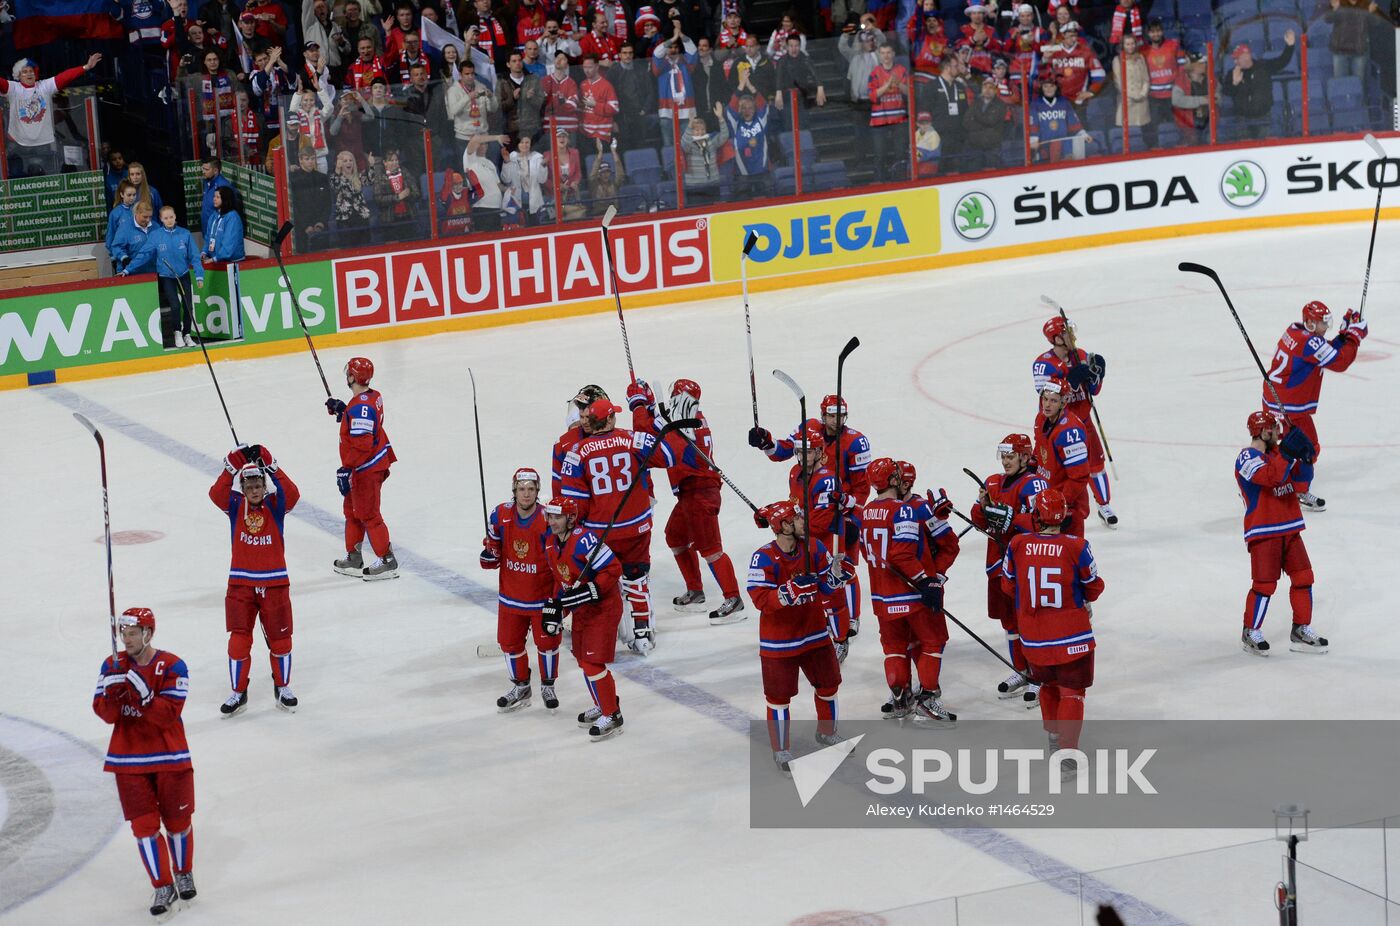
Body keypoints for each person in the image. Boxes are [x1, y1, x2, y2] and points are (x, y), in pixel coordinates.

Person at [93, 607, 197, 918]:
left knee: (178, 822)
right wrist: (112, 696)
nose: (126, 640)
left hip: (170, 756)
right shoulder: (112, 665)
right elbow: (105, 714)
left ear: (148, 634)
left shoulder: (174, 665)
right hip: (128, 760)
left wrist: (146, 697)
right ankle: (163, 885)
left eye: (133, 633)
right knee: (143, 827)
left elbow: (168, 716)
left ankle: (183, 872)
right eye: (123, 634)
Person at [559, 397, 678, 653]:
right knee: (637, 578)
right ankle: (642, 631)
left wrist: (581, 529)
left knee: (601, 580)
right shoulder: (633, 439)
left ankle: (601, 631)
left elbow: (575, 502)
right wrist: (659, 425)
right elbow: (669, 456)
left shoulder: (577, 452)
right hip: (636, 528)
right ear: (611, 418)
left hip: (600, 533)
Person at [999, 488, 1103, 778]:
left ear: (1037, 515)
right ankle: (1068, 756)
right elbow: (1094, 587)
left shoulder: (1018, 544)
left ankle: (1054, 741)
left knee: (1048, 686)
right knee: (1072, 693)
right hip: (1072, 635)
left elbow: (1008, 586)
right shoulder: (1077, 546)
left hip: (1034, 638)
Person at [628, 379, 745, 623]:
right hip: (691, 491)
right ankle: (695, 591)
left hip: (700, 493)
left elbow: (645, 437)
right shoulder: (690, 418)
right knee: (675, 536)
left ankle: (733, 599)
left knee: (711, 549)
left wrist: (639, 404)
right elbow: (660, 424)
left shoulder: (683, 422)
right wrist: (649, 404)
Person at [747, 500, 848, 773]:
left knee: (829, 685)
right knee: (779, 698)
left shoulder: (814, 547)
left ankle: (827, 733)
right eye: (798, 518)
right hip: (778, 642)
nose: (804, 521)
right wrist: (787, 592)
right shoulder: (763, 557)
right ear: (784, 526)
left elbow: (826, 588)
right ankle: (781, 750)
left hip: (815, 633)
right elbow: (760, 599)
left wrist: (836, 579)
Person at [860, 458, 959, 723]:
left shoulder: (867, 511)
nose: (903, 483)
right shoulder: (905, 510)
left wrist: (937, 576)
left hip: (882, 595)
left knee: (895, 647)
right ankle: (927, 699)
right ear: (894, 480)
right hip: (913, 592)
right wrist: (926, 580)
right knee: (933, 640)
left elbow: (949, 546)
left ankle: (901, 697)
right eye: (899, 478)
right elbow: (901, 555)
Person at [209, 445, 301, 715]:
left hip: (275, 583)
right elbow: (216, 494)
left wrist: (271, 465)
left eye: (258, 484)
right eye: (249, 486)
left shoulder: (275, 505)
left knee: (281, 641)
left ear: (265, 485)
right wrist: (231, 465)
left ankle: (282, 687)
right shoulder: (236, 505)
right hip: (240, 584)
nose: (254, 490)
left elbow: (293, 494)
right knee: (238, 642)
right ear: (242, 488)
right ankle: (239, 692)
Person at [1236, 411, 1327, 655]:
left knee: (1304, 577)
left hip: (1290, 526)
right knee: (1265, 585)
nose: (1279, 433)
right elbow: (1272, 478)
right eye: (1275, 429)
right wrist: (1287, 454)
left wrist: (1306, 458)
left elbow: (1300, 482)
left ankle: (1301, 629)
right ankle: (1250, 631)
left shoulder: (1279, 453)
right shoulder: (1246, 458)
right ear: (1263, 432)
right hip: (1264, 530)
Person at [1261, 300, 1367, 509]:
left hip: (1277, 399)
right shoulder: (1309, 342)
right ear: (1310, 323)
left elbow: (1324, 353)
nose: (1326, 327)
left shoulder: (1297, 331)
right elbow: (1340, 362)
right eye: (1323, 323)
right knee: (1306, 448)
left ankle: (1273, 484)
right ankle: (1292, 490)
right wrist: (1354, 336)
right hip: (1287, 406)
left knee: (1280, 446)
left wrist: (1344, 336)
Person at [538, 497, 626, 739]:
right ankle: (602, 702)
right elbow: (562, 581)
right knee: (581, 658)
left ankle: (612, 714)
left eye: (557, 517)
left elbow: (613, 569)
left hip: (603, 609)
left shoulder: (585, 540)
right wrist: (556, 607)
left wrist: (591, 589)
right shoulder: (550, 543)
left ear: (570, 519)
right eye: (550, 516)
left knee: (592, 662)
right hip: (582, 610)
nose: (552, 522)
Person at [969, 434, 1048, 704]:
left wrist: (1012, 519)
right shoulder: (992, 482)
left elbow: (1043, 521)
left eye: (1010, 456)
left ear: (1025, 457)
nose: (1005, 461)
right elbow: (979, 521)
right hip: (997, 562)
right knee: (1010, 622)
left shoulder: (1035, 483)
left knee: (1029, 621)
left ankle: (1040, 676)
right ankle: (1022, 670)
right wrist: (983, 507)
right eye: (1003, 456)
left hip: (1024, 564)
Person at [483, 469, 562, 712]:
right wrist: (489, 554)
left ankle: (548, 685)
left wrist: (558, 599)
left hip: (541, 598)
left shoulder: (547, 520)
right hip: (511, 597)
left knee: (547, 644)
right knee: (509, 644)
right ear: (514, 491)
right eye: (521, 489)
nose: (526, 494)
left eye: (530, 489)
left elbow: (559, 560)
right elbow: (494, 547)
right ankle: (521, 686)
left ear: (537, 491)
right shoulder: (500, 514)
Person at [326, 357, 400, 580]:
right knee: (352, 511)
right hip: (362, 467)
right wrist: (344, 410)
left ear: (352, 377)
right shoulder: (371, 397)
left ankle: (387, 561)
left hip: (365, 468)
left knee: (368, 514)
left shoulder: (360, 408)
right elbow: (364, 420)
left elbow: (363, 444)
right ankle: (354, 557)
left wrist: (347, 468)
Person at [1035, 322, 1112, 529]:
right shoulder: (1043, 364)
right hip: (1060, 426)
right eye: (1066, 332)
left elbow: (1093, 391)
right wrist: (1071, 380)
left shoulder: (1081, 355)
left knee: (1096, 464)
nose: (1072, 336)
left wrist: (1098, 375)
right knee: (1059, 470)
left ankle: (1104, 505)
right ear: (1056, 338)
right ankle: (1052, 506)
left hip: (1084, 421)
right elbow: (1046, 396)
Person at [0, 53, 102, 176]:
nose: (29, 74)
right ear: (18, 75)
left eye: (31, 71)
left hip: (44, 143)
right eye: (24, 72)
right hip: (19, 144)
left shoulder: (44, 86)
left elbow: (64, 77)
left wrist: (86, 67)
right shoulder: (13, 88)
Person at [1033, 378, 1092, 535]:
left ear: (1063, 403)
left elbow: (1079, 477)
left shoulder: (1070, 432)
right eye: (1045, 399)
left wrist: (1060, 505)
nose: (1047, 405)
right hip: (1045, 501)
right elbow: (1039, 451)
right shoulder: (1041, 419)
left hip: (1067, 508)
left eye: (1053, 401)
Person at [150, 206, 206, 349]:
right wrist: (128, 268)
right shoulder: (156, 235)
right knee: (175, 305)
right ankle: (177, 332)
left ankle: (187, 334)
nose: (169, 220)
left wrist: (199, 276)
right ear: (161, 219)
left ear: (175, 217)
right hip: (167, 276)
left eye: (171, 217)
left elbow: (194, 256)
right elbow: (144, 253)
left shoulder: (185, 234)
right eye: (166, 218)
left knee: (188, 306)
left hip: (183, 274)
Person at [1224, 32, 1296, 138]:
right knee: (1244, 144)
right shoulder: (1232, 73)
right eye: (1235, 59)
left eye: (1237, 58)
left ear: (1247, 56)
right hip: (1242, 119)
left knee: (1265, 144)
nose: (1235, 62)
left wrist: (1290, 46)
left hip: (1264, 116)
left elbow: (1282, 61)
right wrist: (1235, 83)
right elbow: (1226, 92)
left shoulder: (1263, 66)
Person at [1043, 21, 1104, 126]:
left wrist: (1090, 92)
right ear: (1063, 35)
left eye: (1075, 35)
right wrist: (1044, 59)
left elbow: (1099, 74)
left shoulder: (1085, 51)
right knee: (1059, 131)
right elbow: (1042, 75)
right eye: (1071, 36)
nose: (1074, 38)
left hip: (1078, 102)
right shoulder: (1053, 51)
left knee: (1081, 131)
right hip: (1057, 101)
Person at [868, 42, 912, 182]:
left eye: (888, 53)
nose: (886, 56)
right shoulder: (874, 72)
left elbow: (909, 93)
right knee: (880, 155)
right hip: (879, 120)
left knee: (900, 154)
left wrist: (898, 83)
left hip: (899, 119)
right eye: (883, 53)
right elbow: (872, 96)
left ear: (893, 54)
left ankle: (900, 182)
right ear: (879, 55)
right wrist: (887, 85)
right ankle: (880, 183)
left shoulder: (901, 70)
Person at [1141, 17, 1185, 147]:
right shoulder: (1142, 50)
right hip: (1153, 96)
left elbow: (1182, 68)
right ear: (1148, 33)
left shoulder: (1174, 45)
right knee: (1152, 125)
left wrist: (1179, 87)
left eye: (1158, 31)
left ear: (1162, 31)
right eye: (1152, 31)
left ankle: (1182, 145)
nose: (1156, 34)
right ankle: (1153, 149)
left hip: (1173, 94)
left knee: (1179, 123)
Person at [720, 93, 773, 197]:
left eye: (750, 108)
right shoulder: (736, 123)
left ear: (755, 109)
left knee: (768, 200)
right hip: (742, 174)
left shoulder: (761, 120)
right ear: (739, 109)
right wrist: (741, 87)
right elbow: (731, 107)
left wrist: (750, 87)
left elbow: (762, 103)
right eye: (743, 108)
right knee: (742, 201)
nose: (747, 111)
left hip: (762, 171)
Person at [924, 56, 969, 175]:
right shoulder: (932, 86)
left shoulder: (960, 86)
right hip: (939, 136)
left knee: (957, 169)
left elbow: (965, 110)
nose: (958, 68)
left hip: (958, 135)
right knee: (940, 170)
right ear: (947, 67)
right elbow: (925, 111)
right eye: (955, 66)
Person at [1030, 75, 1086, 162]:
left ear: (1056, 87)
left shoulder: (1063, 101)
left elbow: (1072, 120)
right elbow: (1034, 123)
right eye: (1046, 86)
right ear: (1041, 88)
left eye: (1052, 86)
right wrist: (1033, 139)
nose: (1049, 89)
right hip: (1044, 146)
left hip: (1064, 145)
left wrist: (1082, 134)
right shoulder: (1036, 104)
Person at [463, 135, 507, 231]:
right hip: (482, 207)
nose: (483, 146)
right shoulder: (469, 158)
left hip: (496, 207)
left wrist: (508, 190)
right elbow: (476, 139)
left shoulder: (490, 163)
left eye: (485, 144)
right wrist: (497, 137)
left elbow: (498, 185)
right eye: (481, 143)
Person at [501, 135, 549, 225]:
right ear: (518, 144)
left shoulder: (537, 157)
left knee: (535, 229)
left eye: (527, 142)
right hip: (516, 204)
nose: (524, 145)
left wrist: (543, 165)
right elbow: (506, 179)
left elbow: (542, 180)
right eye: (522, 142)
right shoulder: (511, 157)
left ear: (531, 144)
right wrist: (507, 162)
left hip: (534, 204)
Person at [682, 113, 728, 203]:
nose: (700, 132)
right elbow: (684, 144)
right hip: (694, 186)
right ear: (691, 131)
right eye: (697, 130)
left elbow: (724, 136)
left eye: (703, 129)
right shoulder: (689, 144)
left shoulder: (711, 142)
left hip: (712, 184)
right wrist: (690, 124)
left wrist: (721, 118)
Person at [330, 149, 373, 246]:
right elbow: (335, 186)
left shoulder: (359, 176)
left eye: (350, 160)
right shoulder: (336, 177)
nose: (348, 163)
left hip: (361, 217)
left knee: (365, 246)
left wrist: (371, 165)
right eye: (345, 161)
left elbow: (370, 181)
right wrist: (337, 169)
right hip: (345, 219)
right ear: (340, 163)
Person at [1112, 33, 1150, 139]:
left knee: (1144, 133)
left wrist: (1142, 94)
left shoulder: (1140, 58)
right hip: (1127, 102)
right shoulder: (1118, 60)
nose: (1130, 46)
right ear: (1123, 45)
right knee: (1130, 135)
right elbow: (1118, 83)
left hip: (1142, 101)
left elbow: (1146, 79)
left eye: (1132, 43)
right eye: (1127, 44)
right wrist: (1133, 95)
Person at [967, 77, 1010, 169]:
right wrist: (981, 125)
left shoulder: (1001, 105)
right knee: (975, 171)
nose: (987, 90)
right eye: (985, 87)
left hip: (992, 146)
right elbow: (966, 121)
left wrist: (975, 117)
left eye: (990, 87)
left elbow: (990, 121)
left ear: (995, 90)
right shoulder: (975, 103)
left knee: (991, 171)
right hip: (975, 145)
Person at [1172, 54, 1212, 146]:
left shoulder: (1210, 78)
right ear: (1192, 66)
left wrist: (1214, 99)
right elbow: (1177, 100)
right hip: (1189, 125)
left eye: (1205, 62)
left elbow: (1218, 94)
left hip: (1208, 123)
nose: (1205, 65)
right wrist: (1202, 100)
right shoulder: (1181, 81)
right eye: (1201, 63)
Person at [578, 54, 619, 144]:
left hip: (602, 134)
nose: (587, 70)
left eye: (590, 67)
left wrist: (596, 105)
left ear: (597, 67)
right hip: (585, 134)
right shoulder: (582, 85)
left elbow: (614, 109)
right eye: (585, 67)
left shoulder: (606, 86)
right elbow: (580, 109)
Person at [112, 202, 158, 277]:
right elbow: (116, 247)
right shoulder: (125, 228)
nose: (148, 220)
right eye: (145, 217)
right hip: (132, 272)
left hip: (153, 272)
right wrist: (124, 258)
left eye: (150, 217)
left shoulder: (156, 226)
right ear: (136, 213)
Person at [202, 187, 245, 264]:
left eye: (218, 197)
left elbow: (228, 244)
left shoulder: (232, 217)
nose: (214, 199)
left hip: (232, 263)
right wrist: (204, 252)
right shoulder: (213, 216)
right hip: (216, 261)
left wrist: (213, 259)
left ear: (225, 199)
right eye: (214, 196)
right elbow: (208, 238)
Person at [198, 157, 234, 244]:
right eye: (203, 169)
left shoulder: (223, 186)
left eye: (206, 169)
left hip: (218, 235)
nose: (203, 172)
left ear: (215, 171)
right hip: (207, 232)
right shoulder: (206, 182)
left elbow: (228, 213)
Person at [106, 181, 138, 263]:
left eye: (134, 195)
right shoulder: (115, 213)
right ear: (122, 194)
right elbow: (111, 235)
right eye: (129, 195)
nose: (132, 198)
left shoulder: (139, 210)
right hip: (122, 256)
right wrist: (113, 256)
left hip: (137, 254)